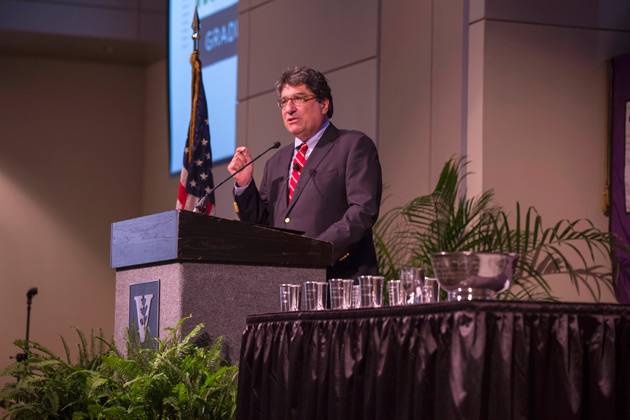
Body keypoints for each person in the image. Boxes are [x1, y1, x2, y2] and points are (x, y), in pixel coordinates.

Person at [227, 66, 382, 279]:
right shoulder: (276, 162)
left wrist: (316, 251)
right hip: (286, 285)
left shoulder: (353, 145)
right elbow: (262, 226)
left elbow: (362, 211)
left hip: (339, 279)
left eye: (298, 99)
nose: (288, 109)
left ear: (324, 103)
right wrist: (244, 185)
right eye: (283, 102)